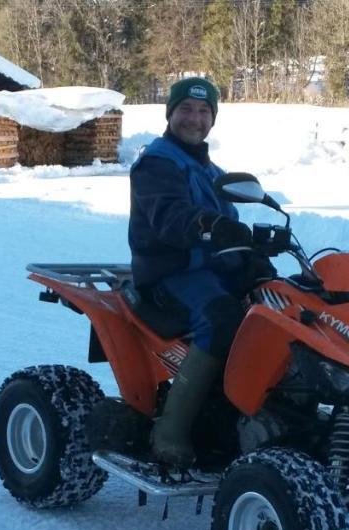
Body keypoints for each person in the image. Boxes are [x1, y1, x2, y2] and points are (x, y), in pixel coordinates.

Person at [129, 77, 269, 468]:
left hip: (210, 271)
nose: (195, 118)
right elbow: (169, 218)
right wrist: (210, 226)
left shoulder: (211, 170)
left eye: (204, 111)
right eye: (186, 110)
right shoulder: (156, 163)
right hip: (171, 273)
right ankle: (170, 433)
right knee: (222, 319)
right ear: (170, 114)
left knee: (282, 310)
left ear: (213, 118)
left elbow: (229, 222)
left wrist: (255, 257)